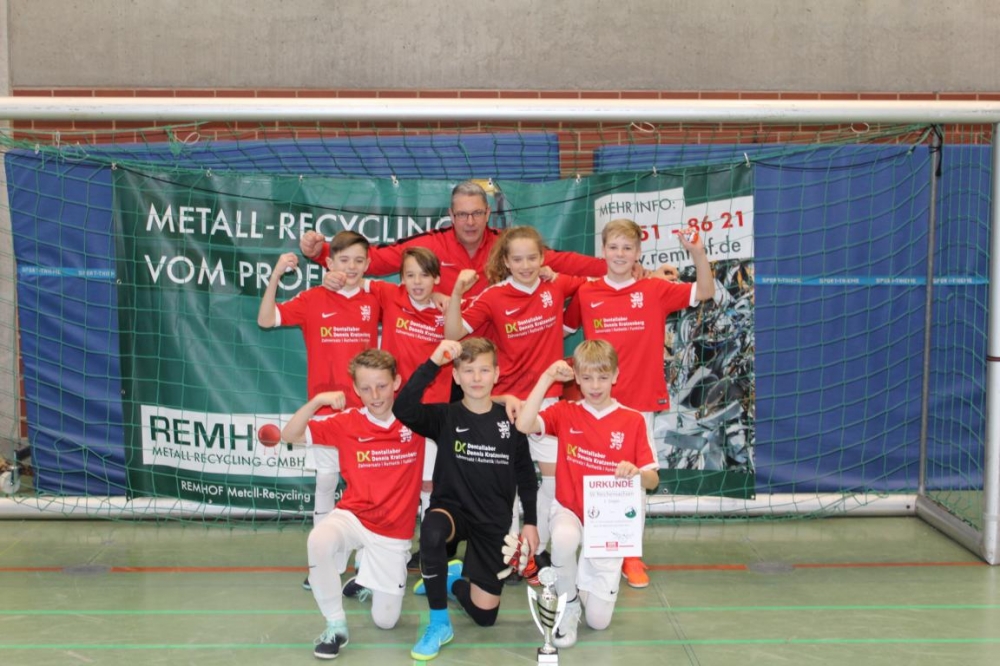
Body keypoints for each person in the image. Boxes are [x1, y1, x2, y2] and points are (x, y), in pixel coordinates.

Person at [564, 218, 715, 588]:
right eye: (613, 247)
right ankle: (594, 544)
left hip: (638, 403)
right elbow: (564, 328)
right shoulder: (586, 292)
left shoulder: (654, 289)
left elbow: (706, 290)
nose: (620, 254)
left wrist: (697, 252)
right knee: (593, 472)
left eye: (627, 248)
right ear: (603, 250)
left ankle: (631, 555)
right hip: (594, 402)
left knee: (633, 477)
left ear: (638, 252)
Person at [444, 225, 586, 580]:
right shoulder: (493, 296)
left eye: (532, 258)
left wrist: (645, 274)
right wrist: (457, 292)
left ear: (543, 258)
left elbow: (600, 281)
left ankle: (537, 552)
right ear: (506, 261)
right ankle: (504, 554)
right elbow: (453, 335)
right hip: (507, 404)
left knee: (553, 481)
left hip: (548, 403)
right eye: (518, 259)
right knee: (502, 485)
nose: (526, 266)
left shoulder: (556, 285)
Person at [392, 338, 539, 661]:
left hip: (492, 521)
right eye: (468, 371)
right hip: (452, 511)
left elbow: (526, 476)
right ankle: (438, 623)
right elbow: (403, 408)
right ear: (456, 376)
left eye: (484, 370)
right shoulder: (445, 416)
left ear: (496, 374)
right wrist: (434, 360)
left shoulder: (511, 420)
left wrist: (531, 522)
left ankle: (452, 582)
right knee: (431, 531)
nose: (476, 378)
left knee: (485, 617)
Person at [280, 349, 425, 660]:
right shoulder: (347, 422)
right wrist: (317, 401)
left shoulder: (416, 420)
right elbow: (289, 435)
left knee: (385, 621)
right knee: (319, 540)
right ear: (356, 390)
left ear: (397, 382)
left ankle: (366, 580)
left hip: (393, 531)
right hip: (353, 517)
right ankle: (336, 625)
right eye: (366, 388)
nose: (375, 395)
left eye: (382, 386)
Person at [258, 230, 383, 588]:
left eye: (358, 261)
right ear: (328, 262)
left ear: (368, 264)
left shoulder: (376, 297)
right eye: (343, 260)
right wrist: (276, 274)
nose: (351, 267)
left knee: (366, 489)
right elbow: (265, 320)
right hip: (326, 412)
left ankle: (366, 570)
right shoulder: (313, 298)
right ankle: (323, 565)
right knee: (326, 482)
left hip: (367, 413)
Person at [515, 340, 659, 648]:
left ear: (615, 376)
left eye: (603, 377)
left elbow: (652, 480)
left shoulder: (633, 420)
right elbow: (524, 424)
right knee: (563, 539)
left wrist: (636, 472)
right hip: (569, 509)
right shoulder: (565, 412)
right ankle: (568, 605)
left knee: (598, 622)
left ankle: (581, 585)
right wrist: (547, 377)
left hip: (608, 522)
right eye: (587, 377)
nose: (595, 385)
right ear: (577, 379)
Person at [298, 180, 608, 298]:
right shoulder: (430, 244)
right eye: (462, 214)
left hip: (493, 356)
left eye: (476, 213)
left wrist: (614, 269)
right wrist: (319, 252)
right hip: (441, 351)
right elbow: (375, 261)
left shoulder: (507, 245)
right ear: (451, 214)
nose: (470, 222)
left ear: (488, 213)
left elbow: (562, 261)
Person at [366, 246, 451, 575]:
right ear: (400, 278)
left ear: (436, 278)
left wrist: (449, 299)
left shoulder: (446, 311)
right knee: (390, 484)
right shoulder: (388, 295)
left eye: (425, 276)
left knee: (429, 485)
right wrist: (333, 273)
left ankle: (429, 553)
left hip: (431, 412)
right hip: (393, 409)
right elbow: (352, 278)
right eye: (410, 275)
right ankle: (381, 553)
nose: (417, 282)